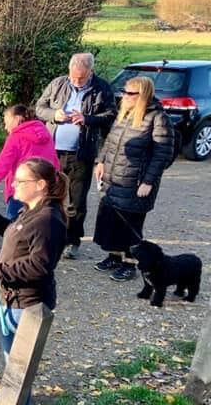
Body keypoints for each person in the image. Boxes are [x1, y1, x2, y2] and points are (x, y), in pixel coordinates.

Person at [0, 158, 68, 405]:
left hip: (26, 303)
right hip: (11, 297)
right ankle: (11, 399)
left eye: (20, 181)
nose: (13, 184)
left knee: (19, 364)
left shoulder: (49, 219)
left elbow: (40, 265)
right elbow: (18, 236)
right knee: (11, 359)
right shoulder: (32, 211)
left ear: (40, 185)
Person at [92, 76, 174, 282]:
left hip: (136, 182)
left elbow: (162, 154)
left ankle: (130, 264)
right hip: (114, 178)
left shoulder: (158, 118)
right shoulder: (126, 115)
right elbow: (110, 141)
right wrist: (101, 161)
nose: (124, 96)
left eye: (130, 93)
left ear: (142, 95)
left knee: (130, 225)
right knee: (112, 220)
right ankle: (114, 256)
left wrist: (148, 181)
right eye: (124, 92)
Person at [35, 52, 116, 260]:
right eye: (73, 77)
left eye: (81, 77)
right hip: (53, 151)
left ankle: (72, 241)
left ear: (91, 72)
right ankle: (48, 235)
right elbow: (39, 108)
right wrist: (54, 115)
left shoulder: (102, 88)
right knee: (49, 195)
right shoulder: (58, 84)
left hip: (82, 153)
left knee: (76, 202)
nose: (77, 81)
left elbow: (111, 116)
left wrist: (87, 118)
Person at [0, 104, 60, 220]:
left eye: (6, 122)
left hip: (21, 192)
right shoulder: (45, 132)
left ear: (17, 119)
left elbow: (0, 169)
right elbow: (55, 163)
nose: (5, 127)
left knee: (14, 232)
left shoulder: (16, 137)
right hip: (45, 192)